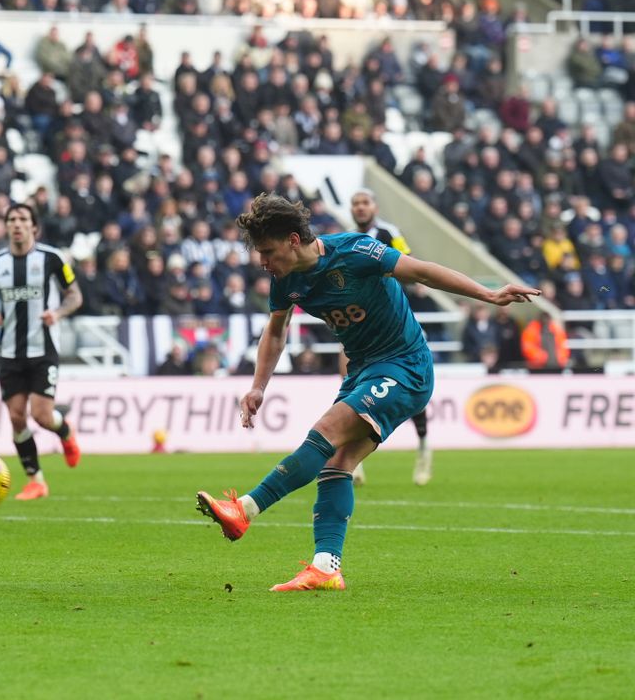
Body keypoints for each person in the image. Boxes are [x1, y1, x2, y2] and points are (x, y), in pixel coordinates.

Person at [196, 194, 538, 592]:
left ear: (293, 239)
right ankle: (326, 568)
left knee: (326, 430)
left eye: (268, 252)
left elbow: (422, 271)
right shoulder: (286, 280)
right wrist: (258, 386)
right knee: (336, 465)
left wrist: (489, 294)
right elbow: (276, 330)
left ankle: (245, 509)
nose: (263, 262)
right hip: (363, 370)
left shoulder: (356, 251)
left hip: (405, 365)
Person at [0, 204, 84, 500]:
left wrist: (58, 313)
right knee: (15, 417)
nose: (16, 224)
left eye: (23, 219)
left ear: (34, 227)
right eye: (11, 219)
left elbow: (75, 296)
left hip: (43, 349)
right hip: (10, 351)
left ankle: (64, 432)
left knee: (42, 416)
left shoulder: (52, 259)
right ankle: (36, 480)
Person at [347, 189, 434, 486]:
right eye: (356, 204)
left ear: (375, 206)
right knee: (355, 384)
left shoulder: (388, 233)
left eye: (365, 203)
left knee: (412, 388)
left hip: (396, 321)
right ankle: (353, 460)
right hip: (362, 325)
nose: (360, 208)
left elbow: (407, 264)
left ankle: (423, 447)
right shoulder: (348, 240)